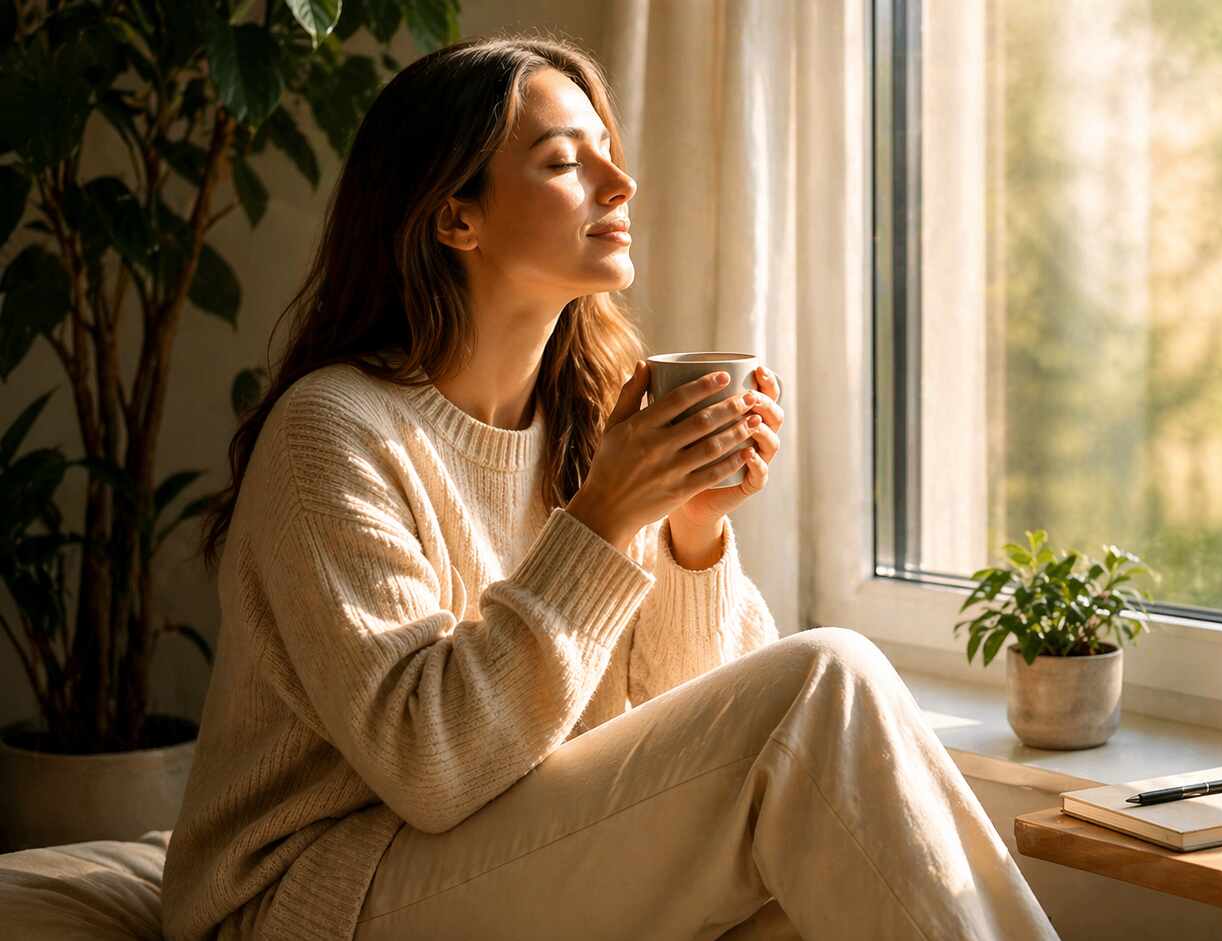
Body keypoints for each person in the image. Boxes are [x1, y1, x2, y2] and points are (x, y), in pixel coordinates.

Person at [161, 31, 1060, 941]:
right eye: (563, 161)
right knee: (824, 678)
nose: (619, 184)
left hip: (492, 844)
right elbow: (429, 763)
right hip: (313, 895)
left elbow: (682, 727)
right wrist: (605, 517)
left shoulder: (589, 413)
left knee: (817, 871)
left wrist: (691, 535)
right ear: (454, 217)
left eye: (607, 154)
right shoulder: (333, 433)